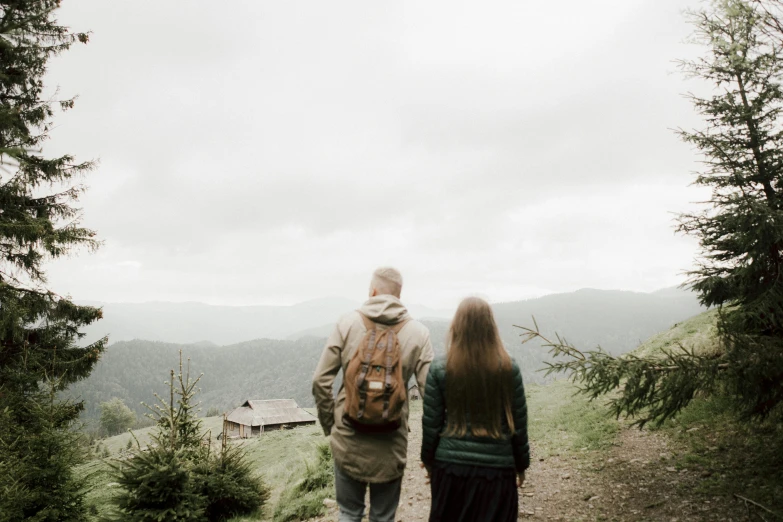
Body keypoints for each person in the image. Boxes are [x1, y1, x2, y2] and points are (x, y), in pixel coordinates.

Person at [312, 267, 434, 522]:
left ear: (373, 291)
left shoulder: (347, 323)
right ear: (399, 295)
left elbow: (321, 381)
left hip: (347, 440)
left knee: (349, 513)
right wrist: (432, 449)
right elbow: (431, 395)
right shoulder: (419, 334)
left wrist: (331, 427)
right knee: (383, 517)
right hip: (391, 445)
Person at [421, 296, 530, 522]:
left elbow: (431, 423)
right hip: (497, 471)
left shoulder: (441, 368)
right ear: (491, 328)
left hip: (450, 469)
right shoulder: (509, 368)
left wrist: (429, 462)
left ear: (456, 327)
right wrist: (521, 465)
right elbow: (519, 423)